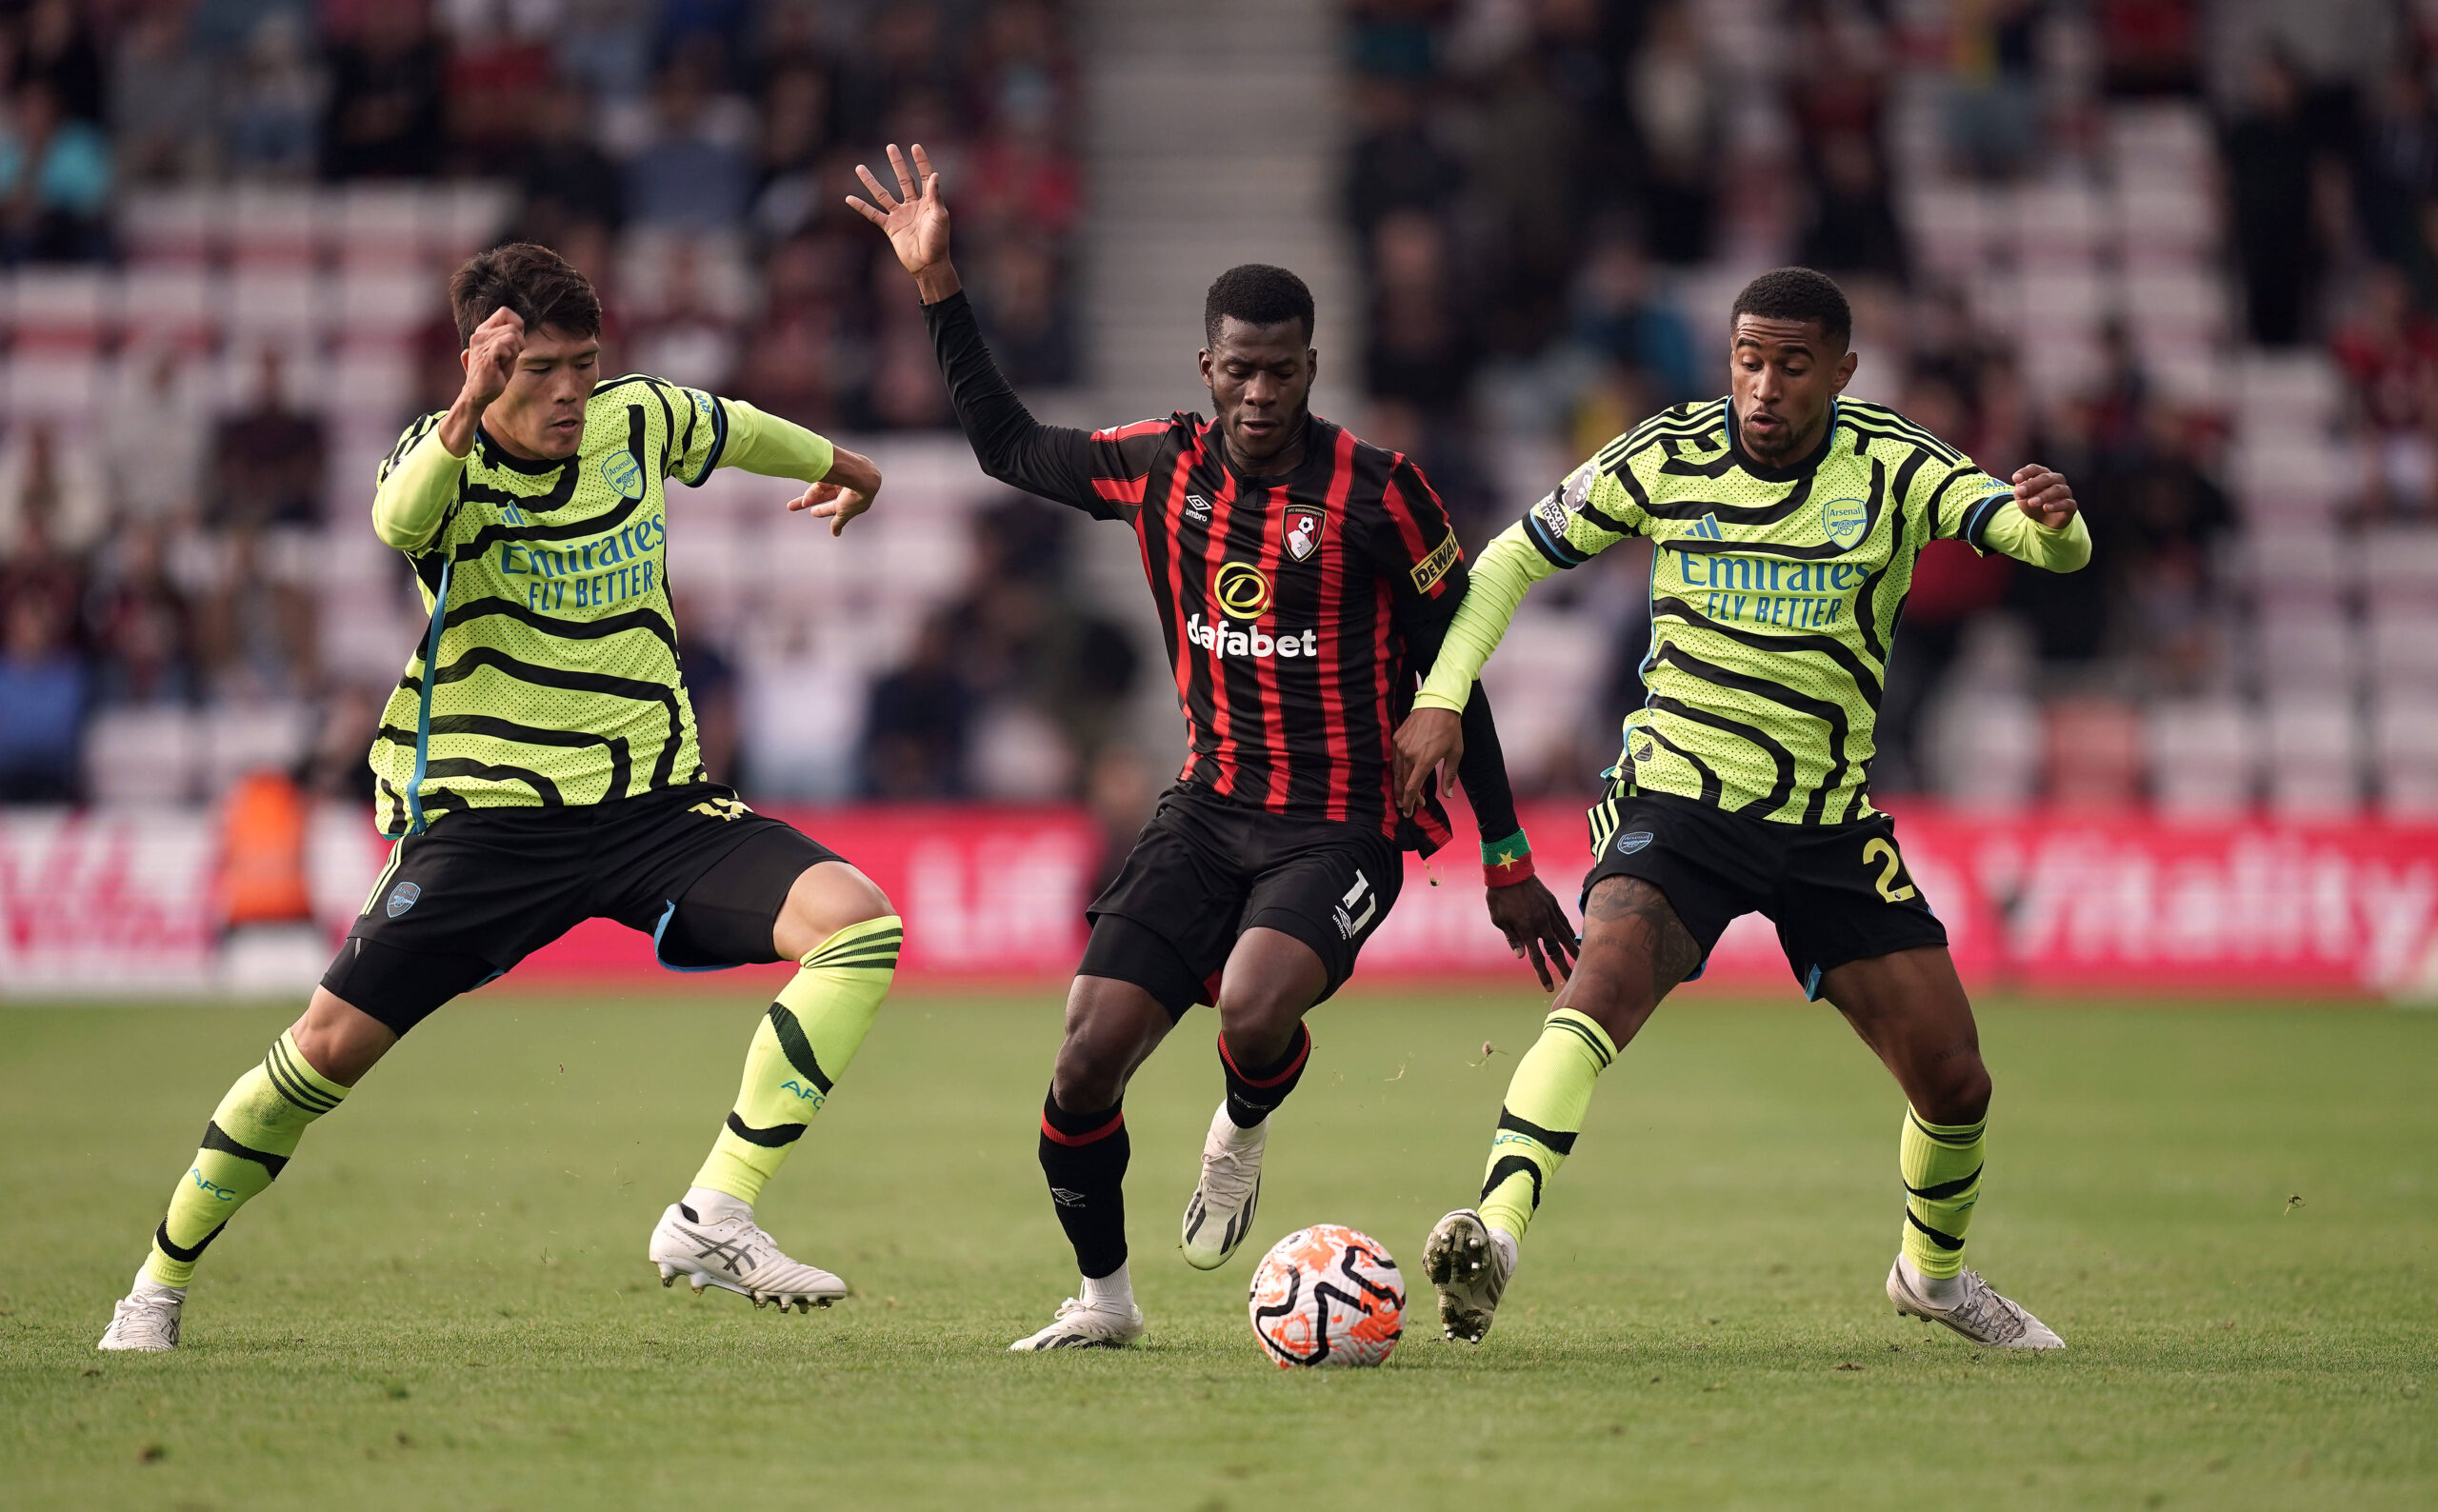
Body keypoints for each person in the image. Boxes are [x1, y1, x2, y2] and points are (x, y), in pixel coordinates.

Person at [98, 244, 899, 1352]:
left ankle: (715, 1210)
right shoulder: (441, 463)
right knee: (323, 1050)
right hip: (490, 825)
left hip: (651, 808)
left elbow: (737, 423)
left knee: (858, 922)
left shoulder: (638, 420)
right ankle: (157, 1280)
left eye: (583, 364)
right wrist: (468, 405)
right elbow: (395, 522)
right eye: (539, 371)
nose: (569, 390)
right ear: (484, 364)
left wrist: (847, 462)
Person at [852, 144, 1577, 1349]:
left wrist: (1504, 857)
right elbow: (1006, 446)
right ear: (1207, 365)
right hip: (1204, 809)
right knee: (1082, 1062)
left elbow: (1455, 687)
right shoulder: (1158, 464)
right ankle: (1104, 1300)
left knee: (1251, 1009)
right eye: (1237, 370)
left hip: (1339, 821)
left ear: (1310, 368)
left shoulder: (1384, 494)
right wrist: (938, 285)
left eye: (1280, 372)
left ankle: (1240, 1127)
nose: (1257, 394)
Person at [1395, 268, 2088, 1352]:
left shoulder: (1894, 463)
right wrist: (1441, 698)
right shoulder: (1667, 452)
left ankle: (1933, 1277)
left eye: (1791, 364)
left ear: (1842, 371)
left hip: (1826, 818)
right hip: (1682, 792)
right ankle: (1495, 1233)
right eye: (1746, 360)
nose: (1762, 386)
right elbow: (1508, 560)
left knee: (1955, 1080)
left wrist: (2055, 526)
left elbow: (2034, 540)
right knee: (1602, 981)